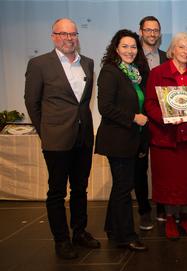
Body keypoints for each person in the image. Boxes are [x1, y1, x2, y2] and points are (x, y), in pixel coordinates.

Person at [24, 18, 100, 259]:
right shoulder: (39, 64)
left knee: (80, 188)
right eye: (63, 34)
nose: (69, 38)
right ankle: (61, 240)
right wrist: (45, 130)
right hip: (56, 138)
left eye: (73, 34)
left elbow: (83, 102)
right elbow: (32, 102)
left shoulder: (87, 63)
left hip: (83, 137)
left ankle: (79, 231)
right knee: (57, 191)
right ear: (53, 36)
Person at [145, 32, 187, 240]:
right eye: (181, 47)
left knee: (185, 180)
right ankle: (170, 219)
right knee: (167, 181)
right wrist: (167, 117)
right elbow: (150, 104)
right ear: (172, 50)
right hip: (165, 137)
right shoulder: (157, 73)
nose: (186, 51)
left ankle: (185, 216)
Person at [95, 29, 150, 252]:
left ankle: (111, 227)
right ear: (116, 48)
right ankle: (126, 235)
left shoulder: (135, 73)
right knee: (124, 187)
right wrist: (133, 118)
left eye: (133, 47)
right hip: (117, 140)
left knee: (121, 186)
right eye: (125, 46)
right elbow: (105, 107)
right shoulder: (110, 72)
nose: (130, 50)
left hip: (131, 139)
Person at [136, 15, 169, 226]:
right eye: (148, 30)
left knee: (162, 167)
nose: (152, 34)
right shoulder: (131, 55)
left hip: (162, 121)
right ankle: (143, 210)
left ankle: (162, 206)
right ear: (140, 31)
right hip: (140, 121)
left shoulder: (167, 57)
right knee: (139, 168)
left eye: (156, 30)